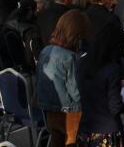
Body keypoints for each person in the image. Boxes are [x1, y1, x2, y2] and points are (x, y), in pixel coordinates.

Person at [36, 10, 90, 147]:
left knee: (57, 141)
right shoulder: (69, 57)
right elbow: (76, 93)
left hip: (49, 110)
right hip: (70, 113)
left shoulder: (45, 51)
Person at [76, 5, 124, 147]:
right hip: (107, 129)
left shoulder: (82, 61)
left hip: (86, 126)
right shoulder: (112, 69)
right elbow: (115, 106)